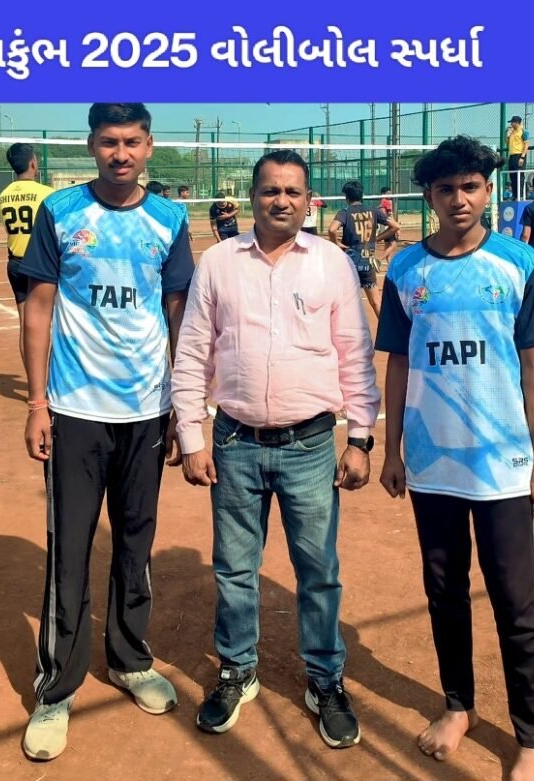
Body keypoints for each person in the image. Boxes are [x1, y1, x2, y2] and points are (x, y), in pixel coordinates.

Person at [170, 148, 380, 749]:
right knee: (235, 568)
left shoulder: (332, 263)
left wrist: (359, 438)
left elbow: (355, 354)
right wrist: (192, 435)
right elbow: (193, 351)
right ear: (252, 197)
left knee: (318, 571)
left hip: (310, 445)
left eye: (292, 191)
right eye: (270, 190)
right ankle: (237, 670)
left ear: (309, 201)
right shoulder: (219, 263)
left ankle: (325, 680)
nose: (281, 200)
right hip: (234, 442)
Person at [375, 135, 534, 781]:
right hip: (433, 464)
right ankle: (459, 705)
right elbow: (398, 363)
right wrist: (393, 448)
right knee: (444, 591)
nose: (459, 199)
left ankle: (532, 739)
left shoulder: (517, 262)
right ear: (428, 197)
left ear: (488, 190)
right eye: (446, 189)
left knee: (515, 600)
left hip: (503, 465)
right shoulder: (406, 269)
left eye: (471, 186)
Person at [18, 102, 194, 762]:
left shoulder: (170, 219)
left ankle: (129, 658)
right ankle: (56, 688)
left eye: (132, 141)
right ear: (91, 145)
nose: (121, 153)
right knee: (69, 548)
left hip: (146, 408)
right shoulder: (60, 212)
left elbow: (179, 315)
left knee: (136, 540)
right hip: (74, 408)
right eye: (109, 142)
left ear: (150, 146)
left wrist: (181, 404)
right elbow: (38, 309)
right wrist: (37, 402)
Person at [0, 143, 54, 370]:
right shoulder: (47, 194)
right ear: (33, 163)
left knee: (26, 324)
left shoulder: (4, 196)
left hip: (15, 262)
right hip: (41, 264)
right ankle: (49, 379)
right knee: (50, 322)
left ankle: (34, 379)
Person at [327, 180, 399, 318]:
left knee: (342, 302)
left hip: (349, 262)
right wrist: (376, 238)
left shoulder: (345, 212)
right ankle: (385, 329)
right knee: (376, 302)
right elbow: (395, 226)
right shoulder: (373, 211)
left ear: (346, 197)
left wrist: (336, 243)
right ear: (362, 195)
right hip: (367, 261)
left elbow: (332, 229)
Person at [505, 116, 530, 200]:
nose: (511, 124)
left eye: (512, 122)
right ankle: (515, 195)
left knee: (520, 175)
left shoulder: (523, 132)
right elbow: (507, 143)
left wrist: (522, 157)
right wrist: (507, 135)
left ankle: (521, 195)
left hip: (519, 155)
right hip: (512, 155)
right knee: (512, 176)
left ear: (517, 123)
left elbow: (526, 144)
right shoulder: (512, 132)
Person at [378, 186, 401, 265]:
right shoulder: (387, 202)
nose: (390, 195)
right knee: (393, 245)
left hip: (384, 226)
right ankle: (378, 260)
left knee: (388, 246)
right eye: (388, 193)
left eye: (390, 193)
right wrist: (397, 228)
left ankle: (389, 264)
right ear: (383, 194)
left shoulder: (381, 201)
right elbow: (390, 216)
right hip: (389, 227)